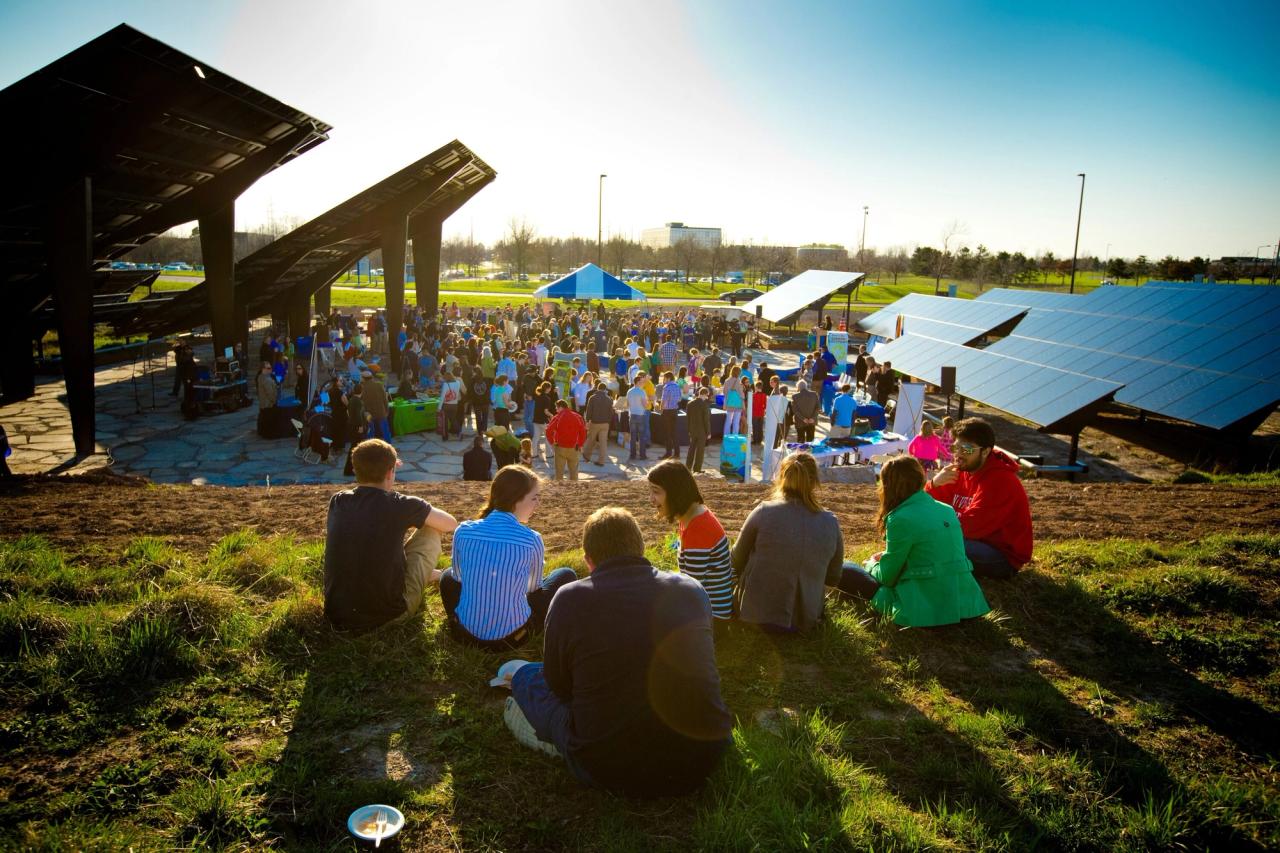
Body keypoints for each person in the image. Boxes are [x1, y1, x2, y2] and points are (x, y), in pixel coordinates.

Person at [503, 507, 733, 796]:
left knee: (527, 677)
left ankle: (542, 729)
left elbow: (560, 687)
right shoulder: (691, 589)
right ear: (641, 548)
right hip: (704, 755)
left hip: (607, 766)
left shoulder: (569, 598)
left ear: (589, 561)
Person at [837, 456, 991, 627]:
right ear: (920, 479)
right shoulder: (947, 510)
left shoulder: (899, 518)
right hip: (965, 605)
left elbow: (887, 577)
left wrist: (872, 564)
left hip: (923, 610)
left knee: (845, 568)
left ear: (887, 485)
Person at [323, 439, 459, 631]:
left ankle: (431, 575)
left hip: (336, 614)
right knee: (431, 529)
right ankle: (431, 575)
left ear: (355, 470)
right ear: (390, 472)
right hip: (388, 616)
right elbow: (450, 524)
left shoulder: (338, 501)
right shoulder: (402, 504)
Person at [439, 466, 577, 647]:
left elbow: (458, 577)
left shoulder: (463, 531)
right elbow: (532, 588)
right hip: (513, 639)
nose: (538, 504)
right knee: (566, 574)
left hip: (464, 635)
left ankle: (462, 618)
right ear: (515, 500)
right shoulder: (532, 539)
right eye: (534, 498)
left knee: (447, 577)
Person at [731, 452, 844, 633]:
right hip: (805, 620)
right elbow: (834, 577)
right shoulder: (831, 522)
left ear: (781, 477)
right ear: (815, 482)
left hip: (755, 615)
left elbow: (735, 560)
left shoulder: (763, 512)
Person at [925, 417, 1033, 579]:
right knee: (927, 538)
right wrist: (933, 484)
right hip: (968, 538)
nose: (958, 455)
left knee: (936, 544)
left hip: (1000, 555)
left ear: (985, 451)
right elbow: (922, 506)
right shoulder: (959, 471)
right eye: (956, 448)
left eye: (966, 449)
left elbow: (970, 527)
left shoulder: (1000, 481)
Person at [647, 461, 733, 621]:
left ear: (675, 492)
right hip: (701, 607)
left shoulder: (698, 527)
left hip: (711, 616)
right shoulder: (690, 516)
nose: (651, 499)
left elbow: (691, 587)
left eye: (656, 492)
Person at [545, 399, 586, 481]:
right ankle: (573, 489)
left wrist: (552, 443)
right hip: (574, 447)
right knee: (574, 472)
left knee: (559, 472)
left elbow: (548, 431)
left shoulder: (557, 417)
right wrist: (581, 444)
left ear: (560, 407)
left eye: (556, 408)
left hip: (560, 447)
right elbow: (583, 432)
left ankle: (559, 489)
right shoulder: (578, 417)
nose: (556, 410)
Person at [581, 382, 613, 466]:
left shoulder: (592, 398)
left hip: (595, 422)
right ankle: (601, 461)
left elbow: (589, 411)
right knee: (603, 443)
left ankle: (587, 456)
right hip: (605, 424)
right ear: (605, 389)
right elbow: (611, 412)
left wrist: (587, 421)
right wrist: (608, 421)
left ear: (597, 388)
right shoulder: (609, 399)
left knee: (591, 439)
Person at [685, 386, 712, 473]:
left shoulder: (690, 403)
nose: (707, 398)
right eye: (707, 396)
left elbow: (687, 418)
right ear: (704, 395)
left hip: (692, 430)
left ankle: (688, 467)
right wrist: (708, 432)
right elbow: (706, 420)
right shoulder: (705, 405)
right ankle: (697, 469)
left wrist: (689, 430)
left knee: (691, 449)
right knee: (700, 451)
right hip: (702, 431)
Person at [657, 371, 682, 460]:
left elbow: (663, 401)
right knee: (674, 432)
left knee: (667, 433)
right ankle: (677, 453)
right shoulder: (677, 386)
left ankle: (668, 453)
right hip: (675, 410)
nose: (663, 380)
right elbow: (679, 399)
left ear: (668, 378)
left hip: (667, 412)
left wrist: (660, 409)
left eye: (664, 378)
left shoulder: (666, 387)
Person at [625, 373, 651, 460]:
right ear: (638, 382)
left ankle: (632, 455)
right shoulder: (642, 391)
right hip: (640, 415)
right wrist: (647, 403)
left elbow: (627, 404)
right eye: (641, 381)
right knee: (641, 436)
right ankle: (642, 455)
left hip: (632, 414)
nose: (643, 382)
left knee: (633, 436)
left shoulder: (629, 391)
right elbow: (645, 405)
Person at [364, 374, 391, 441]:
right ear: (372, 378)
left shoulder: (364, 387)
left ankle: (369, 445)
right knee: (385, 430)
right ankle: (389, 445)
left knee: (370, 430)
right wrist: (387, 410)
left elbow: (364, 401)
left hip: (370, 412)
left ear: (364, 379)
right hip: (381, 411)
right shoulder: (379, 385)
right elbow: (385, 399)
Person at [439, 369, 464, 440]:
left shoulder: (446, 384)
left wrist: (439, 407)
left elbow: (442, 396)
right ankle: (459, 432)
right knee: (453, 420)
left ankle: (445, 436)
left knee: (445, 421)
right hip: (455, 405)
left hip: (446, 405)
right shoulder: (457, 383)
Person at [256, 361, 278, 437]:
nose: (270, 369)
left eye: (271, 368)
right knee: (268, 421)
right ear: (263, 369)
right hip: (268, 405)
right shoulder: (266, 379)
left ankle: (263, 433)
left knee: (264, 419)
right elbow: (270, 393)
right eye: (268, 368)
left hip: (263, 404)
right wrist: (274, 401)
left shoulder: (261, 377)